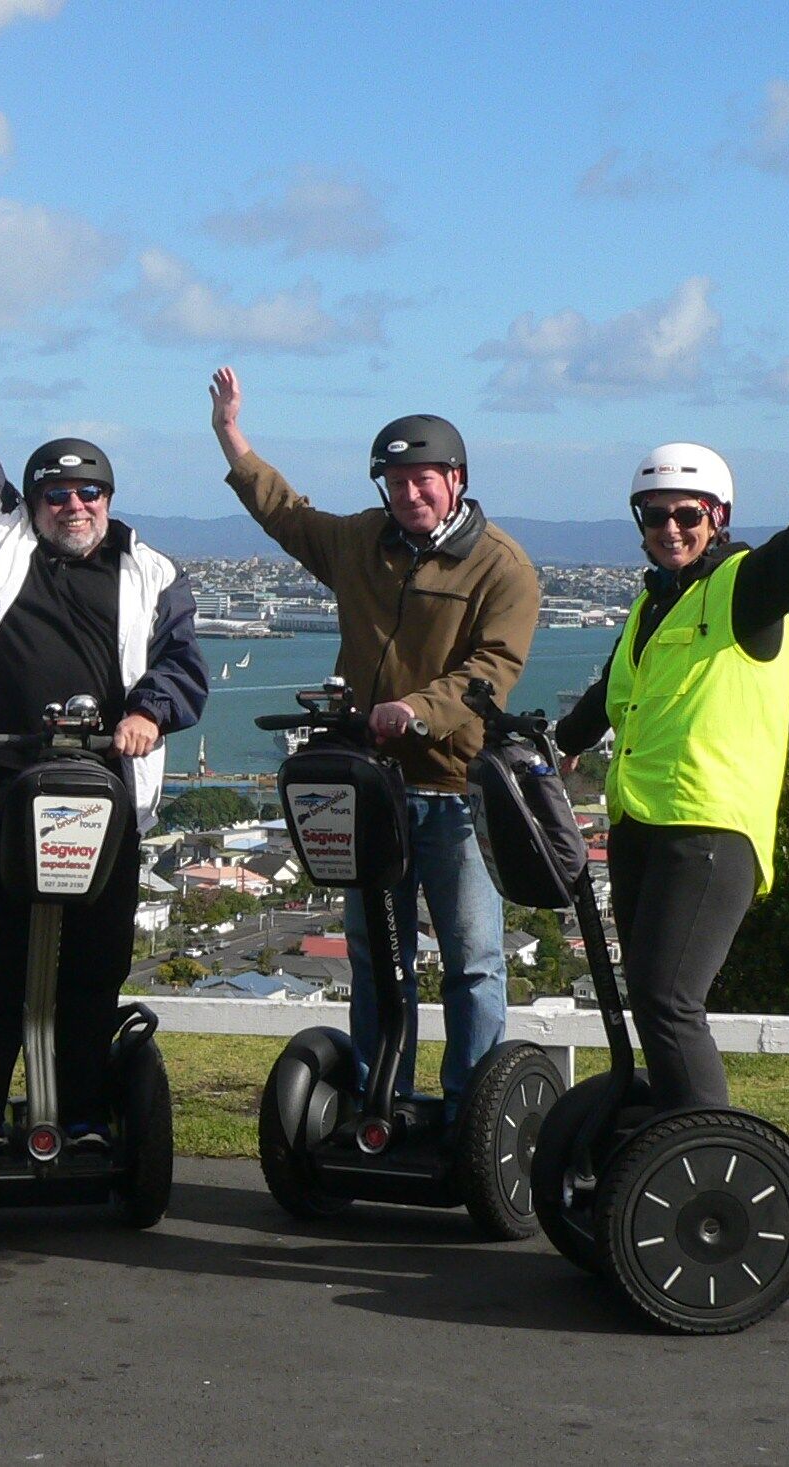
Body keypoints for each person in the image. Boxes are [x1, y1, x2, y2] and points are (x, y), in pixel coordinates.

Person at [0, 293, 209, 1154]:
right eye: (59, 492)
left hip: (101, 798)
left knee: (93, 966)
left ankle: (81, 1114)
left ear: (109, 499)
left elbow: (184, 667)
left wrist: (148, 714)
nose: (76, 504)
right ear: (32, 500)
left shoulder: (150, 571)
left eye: (91, 491)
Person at [552, 426, 789, 1112]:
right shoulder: (651, 602)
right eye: (655, 514)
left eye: (687, 514)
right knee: (647, 999)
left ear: (718, 518)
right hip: (641, 822)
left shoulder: (742, 588)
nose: (670, 528)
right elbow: (614, 689)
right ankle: (668, 1140)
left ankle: (709, 1158)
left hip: (710, 830)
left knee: (670, 1000)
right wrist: (562, 741)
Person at [209, 367, 539, 1118]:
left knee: (473, 964)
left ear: (455, 479)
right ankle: (378, 1098)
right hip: (370, 793)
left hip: (456, 793)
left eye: (423, 480)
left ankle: (470, 1116)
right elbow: (288, 516)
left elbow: (493, 670)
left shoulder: (503, 565)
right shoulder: (361, 540)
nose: (410, 494)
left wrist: (416, 710)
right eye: (396, 481)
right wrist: (233, 437)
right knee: (376, 961)